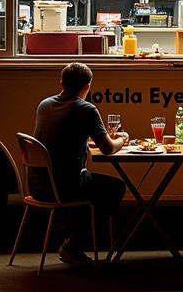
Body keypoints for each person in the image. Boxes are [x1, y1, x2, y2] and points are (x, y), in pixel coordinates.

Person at [31, 61, 128, 265]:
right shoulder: (86, 109)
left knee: (88, 182)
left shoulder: (44, 105)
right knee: (114, 188)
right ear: (88, 86)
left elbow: (62, 136)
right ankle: (74, 245)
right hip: (64, 187)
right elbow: (108, 149)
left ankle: (69, 232)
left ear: (61, 81)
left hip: (38, 184)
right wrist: (123, 139)